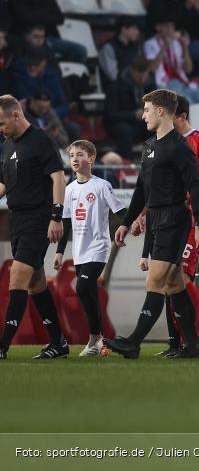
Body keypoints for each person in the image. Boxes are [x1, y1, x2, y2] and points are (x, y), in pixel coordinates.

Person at [104, 90, 199, 360]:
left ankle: (133, 343)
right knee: (174, 285)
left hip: (174, 219)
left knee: (155, 281)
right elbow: (141, 189)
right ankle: (193, 346)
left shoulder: (179, 147)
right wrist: (127, 222)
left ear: (161, 111)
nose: (143, 116)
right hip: (156, 219)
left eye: (147, 110)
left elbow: (195, 187)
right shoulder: (149, 145)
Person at [155, 96, 199, 355]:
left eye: (169, 115)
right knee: (168, 279)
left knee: (183, 278)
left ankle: (193, 338)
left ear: (182, 116)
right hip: (171, 218)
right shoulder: (166, 142)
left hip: (196, 218)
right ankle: (177, 341)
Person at [0, 95, 69, 360]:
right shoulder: (7, 144)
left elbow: (58, 178)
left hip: (38, 218)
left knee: (17, 276)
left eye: (2, 123)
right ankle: (58, 343)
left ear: (16, 115)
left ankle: (3, 345)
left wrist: (56, 216)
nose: (0, 128)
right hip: (17, 219)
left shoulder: (41, 140)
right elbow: (4, 183)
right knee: (35, 283)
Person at [53, 140, 126, 356]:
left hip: (98, 247)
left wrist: (131, 224)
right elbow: (66, 223)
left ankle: (94, 338)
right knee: (90, 293)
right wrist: (59, 252)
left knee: (82, 288)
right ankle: (98, 340)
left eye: (80, 155)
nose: (75, 159)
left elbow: (120, 210)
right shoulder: (68, 189)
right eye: (72, 155)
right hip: (79, 251)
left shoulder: (102, 185)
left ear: (92, 158)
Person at [7, 0, 88, 65]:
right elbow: (25, 19)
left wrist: (35, 15)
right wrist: (46, 15)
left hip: (50, 37)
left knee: (80, 51)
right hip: (27, 40)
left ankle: (67, 74)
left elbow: (60, 18)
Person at [143, 14, 199, 103]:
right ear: (158, 27)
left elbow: (188, 69)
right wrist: (164, 46)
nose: (170, 30)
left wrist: (185, 47)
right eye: (166, 26)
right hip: (165, 83)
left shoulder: (177, 43)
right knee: (188, 103)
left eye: (172, 27)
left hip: (182, 81)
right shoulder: (150, 43)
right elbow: (152, 68)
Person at [104, 54, 157, 157]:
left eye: (144, 74)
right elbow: (109, 115)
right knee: (125, 130)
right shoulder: (117, 86)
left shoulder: (151, 86)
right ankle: (127, 161)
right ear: (132, 71)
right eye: (138, 75)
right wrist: (133, 115)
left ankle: (154, 160)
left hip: (141, 123)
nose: (142, 78)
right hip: (119, 123)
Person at [11, 47, 71, 122]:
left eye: (36, 64)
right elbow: (25, 103)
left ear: (44, 62)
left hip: (53, 117)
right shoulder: (18, 76)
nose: (32, 67)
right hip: (28, 119)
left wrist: (52, 115)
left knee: (73, 127)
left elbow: (64, 105)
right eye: (29, 63)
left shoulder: (52, 76)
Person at [99, 18, 142, 84]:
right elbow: (113, 76)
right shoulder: (109, 47)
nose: (137, 32)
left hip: (134, 84)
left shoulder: (135, 46)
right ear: (124, 29)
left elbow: (140, 67)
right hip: (115, 86)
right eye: (134, 29)